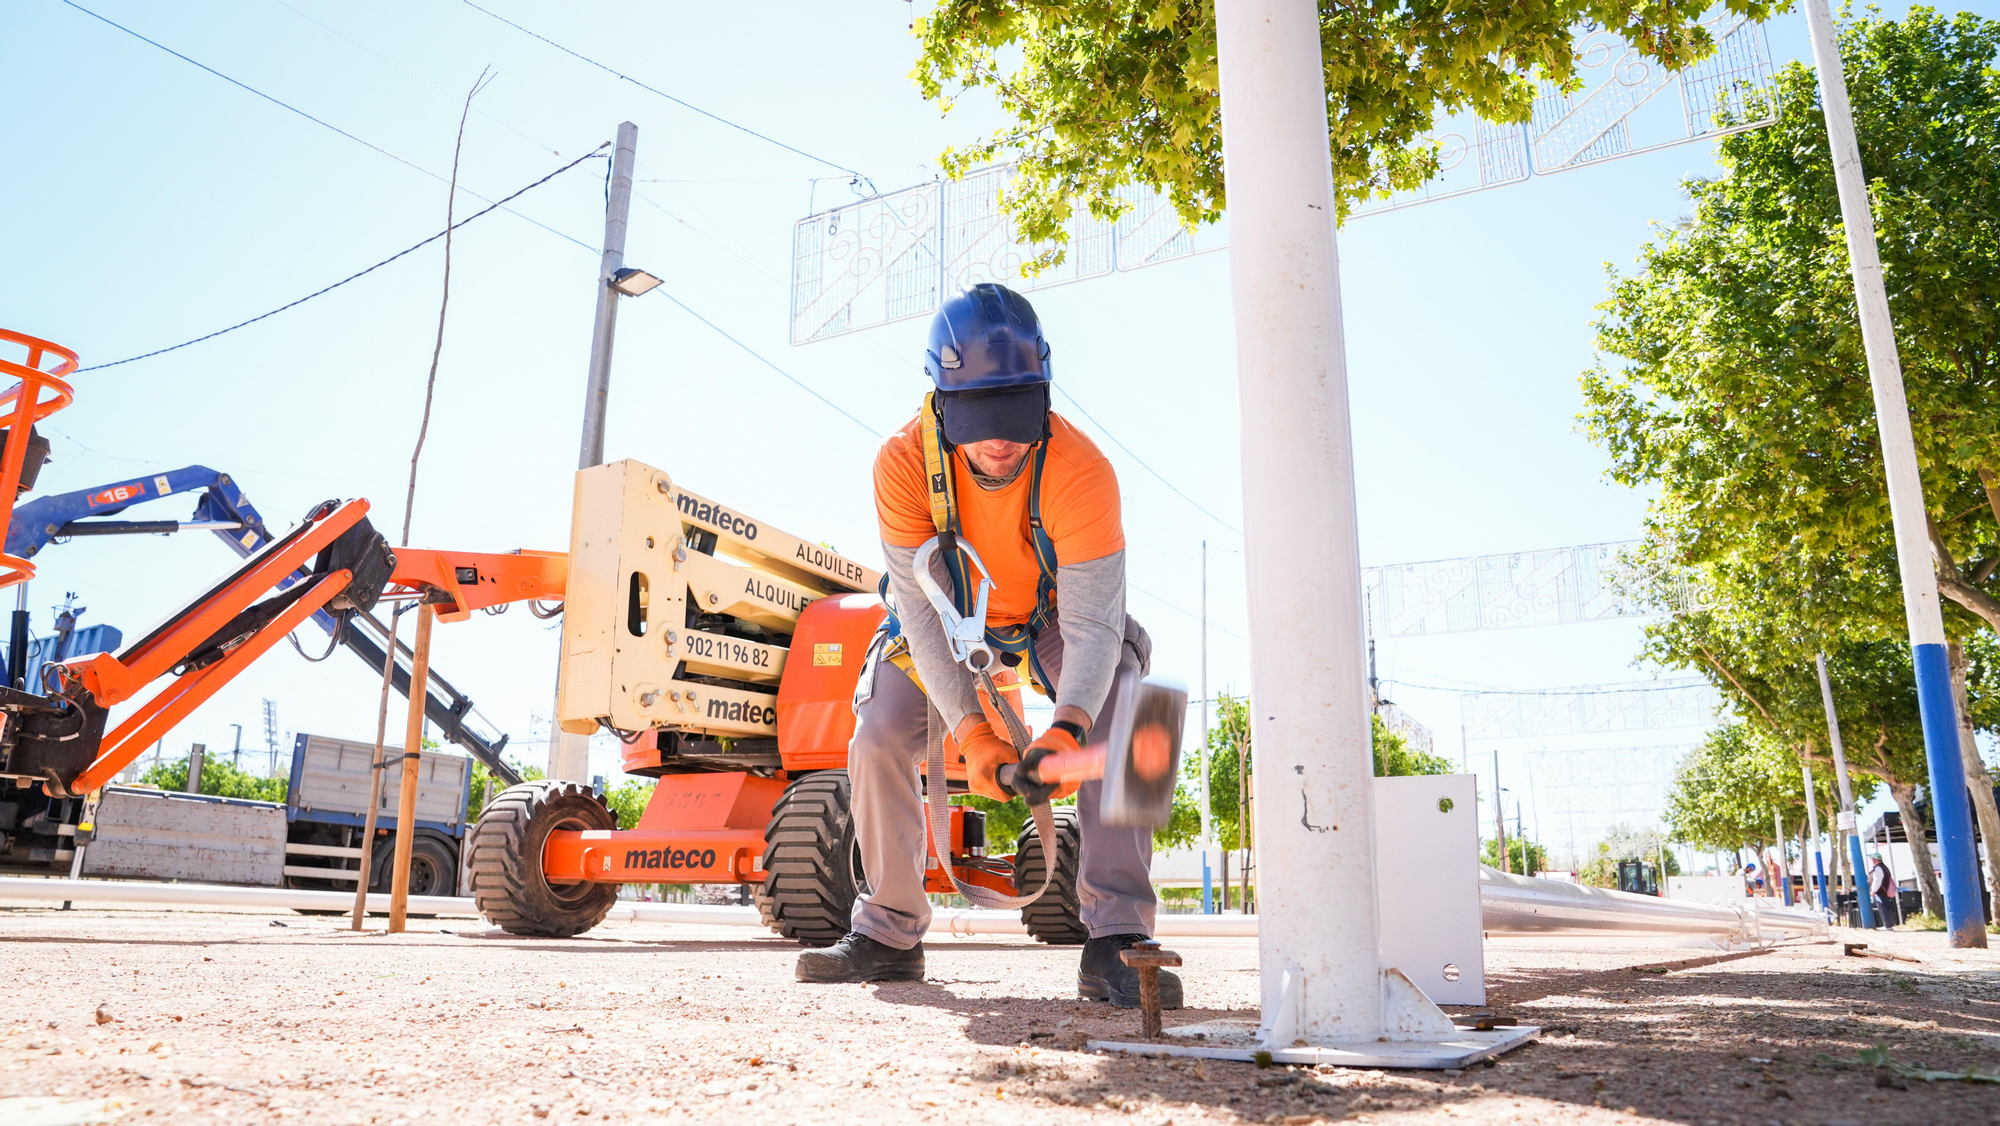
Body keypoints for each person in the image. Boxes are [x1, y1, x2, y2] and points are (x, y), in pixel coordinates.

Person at [795, 283, 1177, 1010]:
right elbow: (920, 614)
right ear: (940, 400)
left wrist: (1067, 731)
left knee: (1137, 710)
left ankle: (1119, 940)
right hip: (949, 617)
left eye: (1016, 416)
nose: (1000, 439)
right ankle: (890, 932)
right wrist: (972, 734)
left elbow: (1095, 627)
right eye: (979, 419)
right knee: (876, 733)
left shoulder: (1082, 469)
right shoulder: (902, 463)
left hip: (1054, 620)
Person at [1868, 855, 1899, 928]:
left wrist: (1873, 891)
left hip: (1880, 892)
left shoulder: (1878, 868)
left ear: (1875, 859)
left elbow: (1877, 881)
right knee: (1886, 907)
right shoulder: (1884, 867)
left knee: (1882, 908)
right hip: (1884, 892)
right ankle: (1888, 925)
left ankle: (1887, 925)